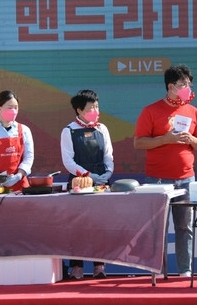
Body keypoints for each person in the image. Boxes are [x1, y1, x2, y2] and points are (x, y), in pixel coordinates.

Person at [133, 64, 197, 277]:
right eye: (183, 84)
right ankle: (157, 271)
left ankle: (185, 270)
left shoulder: (193, 111)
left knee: (185, 227)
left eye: (189, 84)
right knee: (158, 229)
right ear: (171, 86)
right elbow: (139, 142)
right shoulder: (151, 110)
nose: (187, 88)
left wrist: (191, 139)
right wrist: (165, 139)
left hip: (186, 178)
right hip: (158, 180)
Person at [60, 89, 114, 279]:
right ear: (79, 110)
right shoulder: (69, 130)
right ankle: (77, 267)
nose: (95, 111)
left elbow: (109, 155)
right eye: (91, 108)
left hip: (101, 181)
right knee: (78, 226)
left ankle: (99, 266)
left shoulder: (102, 128)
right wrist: (88, 175)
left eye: (97, 107)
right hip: (79, 182)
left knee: (99, 224)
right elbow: (68, 161)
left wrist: (107, 173)